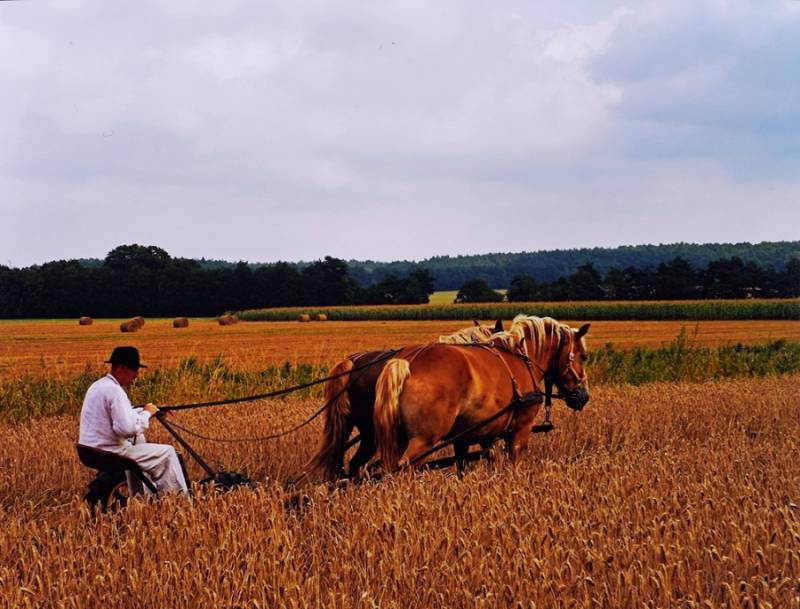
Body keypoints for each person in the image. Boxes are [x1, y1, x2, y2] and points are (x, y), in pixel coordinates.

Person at [79, 346, 189, 496]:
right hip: (110, 451)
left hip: (90, 449)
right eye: (135, 370)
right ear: (122, 368)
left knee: (140, 441)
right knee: (168, 452)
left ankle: (142, 499)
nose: (136, 375)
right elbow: (127, 429)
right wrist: (145, 415)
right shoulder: (115, 391)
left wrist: (148, 411)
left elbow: (120, 416)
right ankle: (178, 503)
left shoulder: (98, 386)